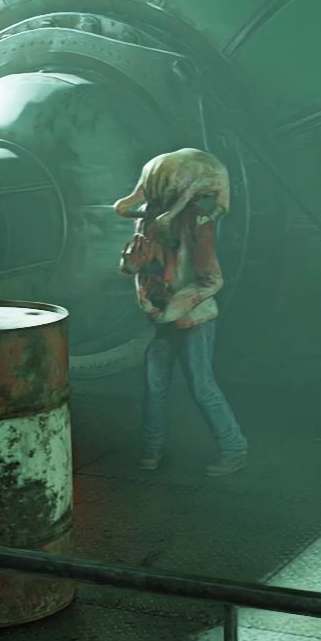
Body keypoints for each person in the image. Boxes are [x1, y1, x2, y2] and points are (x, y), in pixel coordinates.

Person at [117, 148, 247, 477]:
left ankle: (234, 449)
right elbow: (137, 264)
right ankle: (152, 448)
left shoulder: (196, 220)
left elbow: (212, 279)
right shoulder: (147, 217)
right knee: (155, 385)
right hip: (163, 316)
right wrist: (131, 266)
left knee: (202, 386)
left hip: (194, 319)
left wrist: (172, 309)